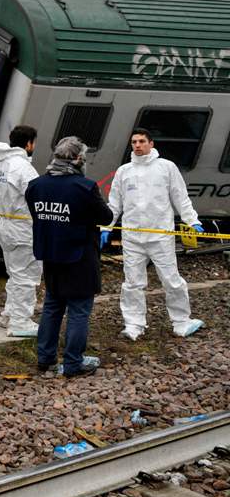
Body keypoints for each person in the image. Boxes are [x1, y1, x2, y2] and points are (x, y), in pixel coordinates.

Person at [106, 128, 205, 340]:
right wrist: (106, 227)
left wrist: (192, 220)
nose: (137, 145)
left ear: (151, 143)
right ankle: (134, 325)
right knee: (132, 282)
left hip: (160, 235)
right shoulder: (124, 171)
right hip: (132, 237)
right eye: (134, 142)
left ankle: (181, 322)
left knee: (171, 279)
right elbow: (114, 203)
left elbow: (180, 197)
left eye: (141, 141)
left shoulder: (166, 168)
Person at [26, 137, 113, 378]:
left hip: (50, 254)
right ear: (78, 159)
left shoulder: (36, 185)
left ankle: (45, 359)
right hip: (79, 256)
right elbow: (105, 217)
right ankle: (73, 363)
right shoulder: (84, 187)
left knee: (52, 307)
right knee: (78, 310)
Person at [0, 125, 42, 337]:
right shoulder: (23, 167)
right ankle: (21, 321)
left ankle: (10, 314)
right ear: (29, 143)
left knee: (15, 273)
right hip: (23, 228)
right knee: (26, 277)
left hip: (6, 226)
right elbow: (36, 197)